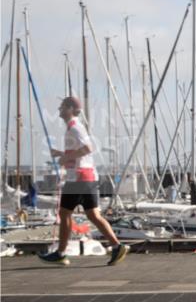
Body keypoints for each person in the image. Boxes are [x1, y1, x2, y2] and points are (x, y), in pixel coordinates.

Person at [38, 96, 129, 266]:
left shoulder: (74, 127)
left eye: (62, 107)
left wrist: (65, 157)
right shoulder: (74, 127)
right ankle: (117, 246)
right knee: (93, 215)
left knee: (65, 213)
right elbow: (80, 152)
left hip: (78, 179)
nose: (59, 109)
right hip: (87, 177)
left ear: (71, 109)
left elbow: (88, 148)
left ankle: (61, 253)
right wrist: (61, 154)